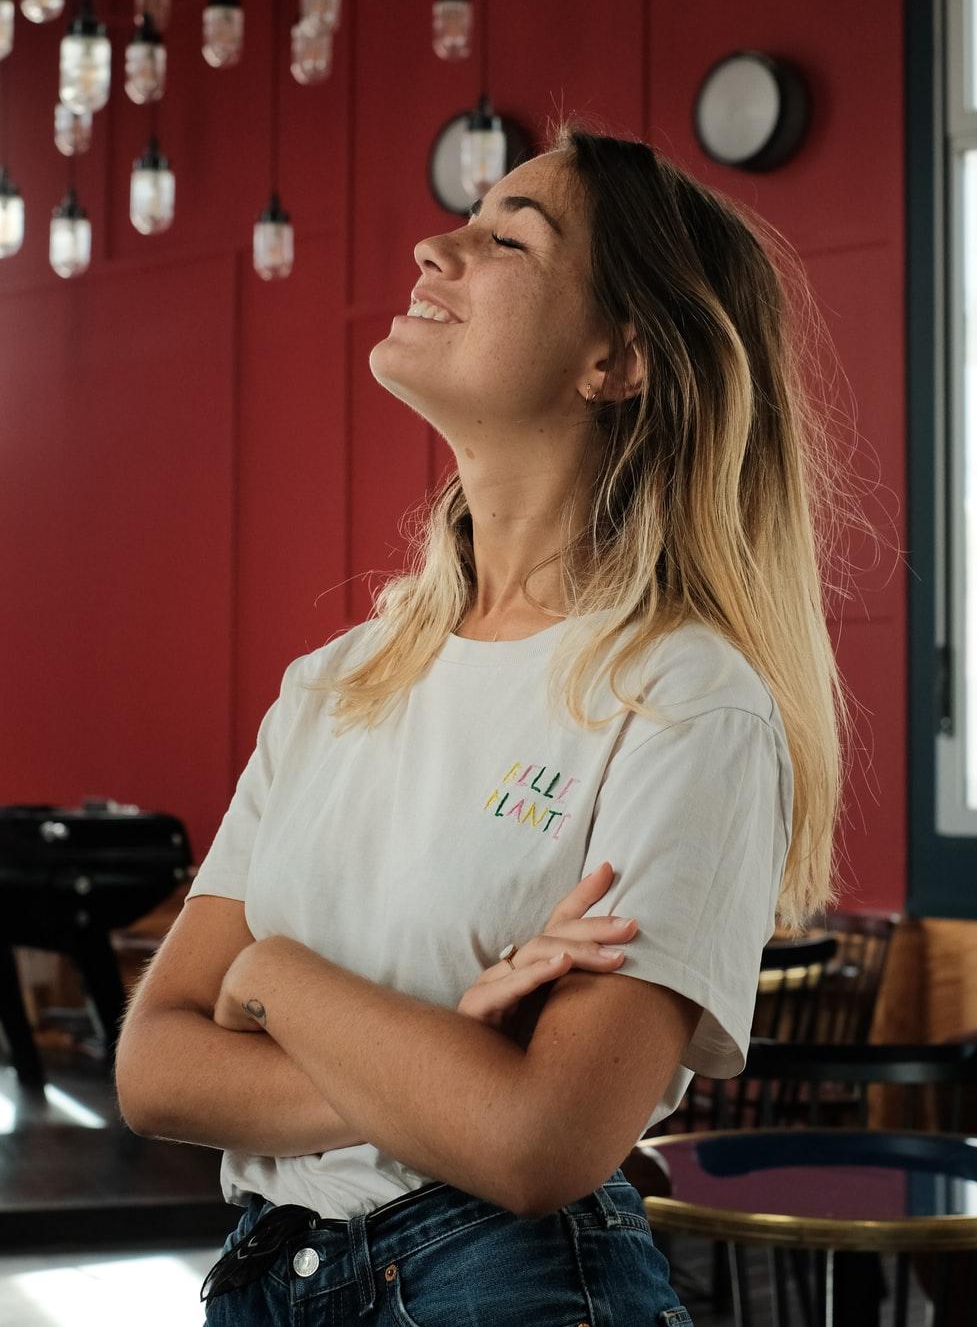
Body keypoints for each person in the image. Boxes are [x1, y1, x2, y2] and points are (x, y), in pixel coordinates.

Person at [115, 119, 867, 1325]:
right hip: (265, 1281)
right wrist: (441, 1060)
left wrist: (272, 978)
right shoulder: (334, 683)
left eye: (506, 236)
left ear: (617, 357)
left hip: (509, 1282)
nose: (432, 247)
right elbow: (154, 1071)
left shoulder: (684, 698)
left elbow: (535, 1144)